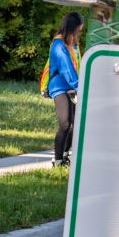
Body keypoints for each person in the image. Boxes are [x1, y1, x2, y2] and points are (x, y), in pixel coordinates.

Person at [47, 11, 84, 166]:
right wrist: (79, 87)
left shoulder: (72, 43)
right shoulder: (59, 46)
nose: (81, 32)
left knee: (77, 124)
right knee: (65, 123)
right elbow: (66, 69)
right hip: (60, 86)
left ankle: (64, 154)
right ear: (73, 28)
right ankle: (57, 160)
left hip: (72, 86)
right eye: (80, 29)